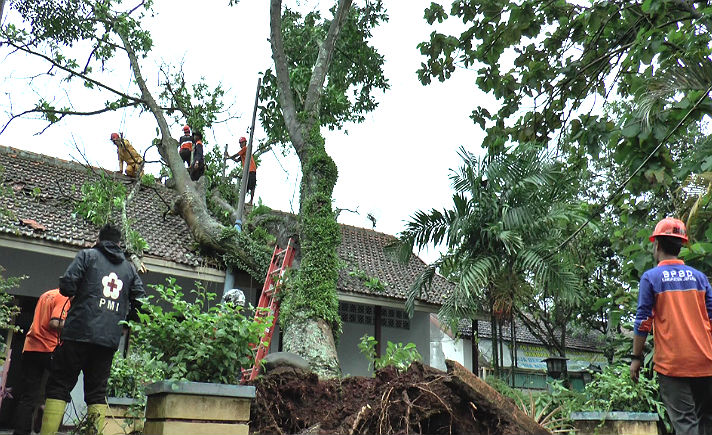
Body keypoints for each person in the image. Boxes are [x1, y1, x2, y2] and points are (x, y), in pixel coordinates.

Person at [38, 224, 146, 435]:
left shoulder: (87, 256)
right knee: (97, 392)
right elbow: (141, 302)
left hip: (78, 333)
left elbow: (67, 286)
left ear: (99, 239)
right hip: (107, 340)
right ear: (118, 243)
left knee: (59, 384)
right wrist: (124, 321)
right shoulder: (129, 269)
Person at [631, 217, 712, 435]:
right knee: (706, 423)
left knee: (685, 424)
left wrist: (636, 358)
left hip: (673, 365)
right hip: (706, 363)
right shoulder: (700, 278)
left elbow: (643, 320)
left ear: (656, 244)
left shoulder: (651, 278)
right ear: (681, 245)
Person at [12, 289, 70, 435]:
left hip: (31, 347)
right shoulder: (64, 297)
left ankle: (21, 432)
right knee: (59, 387)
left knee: (27, 396)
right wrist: (75, 326)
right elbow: (55, 323)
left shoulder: (46, 294)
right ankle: (45, 412)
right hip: (49, 348)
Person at [225, 136, 257, 204]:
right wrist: (229, 157)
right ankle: (242, 201)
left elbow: (236, 155)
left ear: (245, 143)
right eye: (240, 143)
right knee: (246, 186)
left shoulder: (245, 149)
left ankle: (250, 201)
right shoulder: (243, 152)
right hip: (247, 171)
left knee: (252, 185)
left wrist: (228, 157)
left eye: (242, 143)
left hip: (251, 169)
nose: (241, 144)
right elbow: (237, 160)